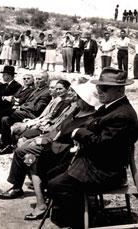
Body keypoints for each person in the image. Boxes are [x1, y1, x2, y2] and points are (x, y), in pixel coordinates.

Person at [48, 67, 138, 228]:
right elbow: (94, 127)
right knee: (51, 171)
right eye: (98, 87)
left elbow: (103, 145)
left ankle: (78, 223)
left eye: (104, 88)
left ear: (119, 89)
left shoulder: (123, 114)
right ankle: (75, 216)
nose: (99, 91)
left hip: (105, 171)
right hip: (94, 162)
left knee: (57, 185)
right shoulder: (109, 106)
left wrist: (79, 132)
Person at [0, 81, 100, 222]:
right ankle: (37, 193)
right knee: (26, 154)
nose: (75, 99)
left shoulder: (89, 119)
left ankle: (35, 198)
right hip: (53, 145)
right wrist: (43, 138)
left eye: (78, 98)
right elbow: (59, 130)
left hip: (63, 153)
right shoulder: (77, 112)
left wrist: (43, 140)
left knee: (27, 156)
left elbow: (70, 141)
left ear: (85, 101)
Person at [0, 71, 52, 150]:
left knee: (4, 111)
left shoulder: (46, 92)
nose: (37, 81)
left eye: (40, 79)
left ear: (46, 80)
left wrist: (21, 107)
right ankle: (7, 144)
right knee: (5, 118)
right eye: (36, 79)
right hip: (24, 112)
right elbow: (27, 102)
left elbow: (37, 108)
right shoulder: (36, 90)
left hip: (32, 115)